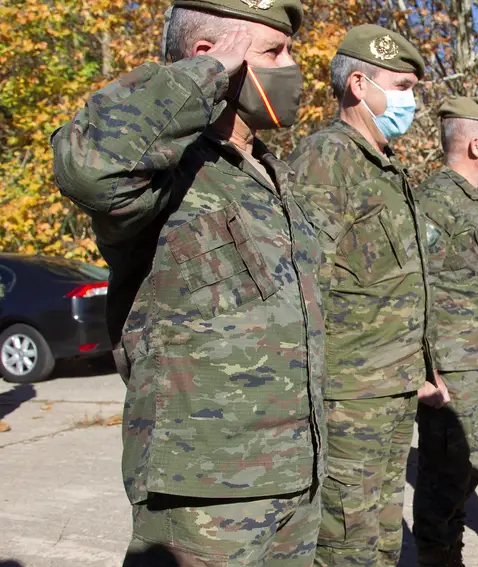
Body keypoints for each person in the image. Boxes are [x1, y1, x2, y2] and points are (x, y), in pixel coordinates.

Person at [51, 1, 326, 565]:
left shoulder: (269, 172)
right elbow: (89, 168)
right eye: (274, 52)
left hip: (296, 474)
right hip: (204, 490)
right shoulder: (166, 172)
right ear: (210, 57)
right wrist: (206, 74)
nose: (293, 66)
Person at [286, 25, 441, 567]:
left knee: (379, 533)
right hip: (349, 390)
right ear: (358, 84)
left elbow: (396, 282)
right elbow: (304, 278)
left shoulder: (383, 164)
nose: (411, 101)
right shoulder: (328, 157)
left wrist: (422, 365)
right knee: (345, 538)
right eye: (401, 86)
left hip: (390, 383)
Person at [413, 96, 478, 566]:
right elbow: (417, 286)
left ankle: (451, 551)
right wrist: (424, 369)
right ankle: (438, 557)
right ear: (476, 145)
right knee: (444, 476)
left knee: (464, 472)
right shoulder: (436, 199)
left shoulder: (477, 203)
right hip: (451, 366)